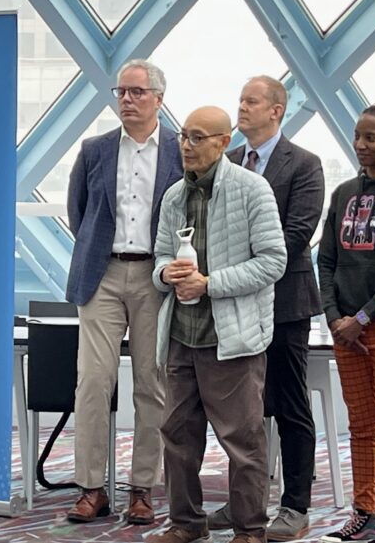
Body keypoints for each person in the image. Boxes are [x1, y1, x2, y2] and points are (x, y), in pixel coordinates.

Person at [148, 106, 286, 543]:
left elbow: (273, 262)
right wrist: (166, 274)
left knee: (241, 442)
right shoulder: (173, 196)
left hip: (233, 339)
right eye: (183, 137)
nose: (186, 145)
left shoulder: (252, 189)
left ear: (224, 142)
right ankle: (186, 524)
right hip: (181, 335)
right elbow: (160, 260)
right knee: (177, 436)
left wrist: (210, 284)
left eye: (197, 137)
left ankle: (249, 530)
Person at [65, 59, 183, 523]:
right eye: (121, 92)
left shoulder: (178, 149)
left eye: (137, 92)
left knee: (152, 386)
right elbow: (80, 213)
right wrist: (98, 252)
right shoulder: (94, 149)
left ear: (159, 98)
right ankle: (91, 488)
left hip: (156, 277)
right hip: (103, 275)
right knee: (93, 382)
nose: (127, 100)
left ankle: (141, 489)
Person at [209, 76, 324, 541]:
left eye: (251, 101)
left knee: (291, 406)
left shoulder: (306, 164)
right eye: (239, 100)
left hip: (285, 305)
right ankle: (245, 504)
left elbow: (296, 235)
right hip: (236, 302)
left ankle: (295, 507)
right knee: (242, 411)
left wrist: (241, 264)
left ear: (276, 110)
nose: (242, 108)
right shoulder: (229, 161)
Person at [317, 100, 375, 543]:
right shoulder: (343, 193)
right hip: (343, 329)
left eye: (372, 138)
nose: (361, 145)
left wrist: (364, 317)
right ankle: (364, 510)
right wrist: (335, 318)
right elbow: (325, 260)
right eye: (357, 137)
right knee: (361, 425)